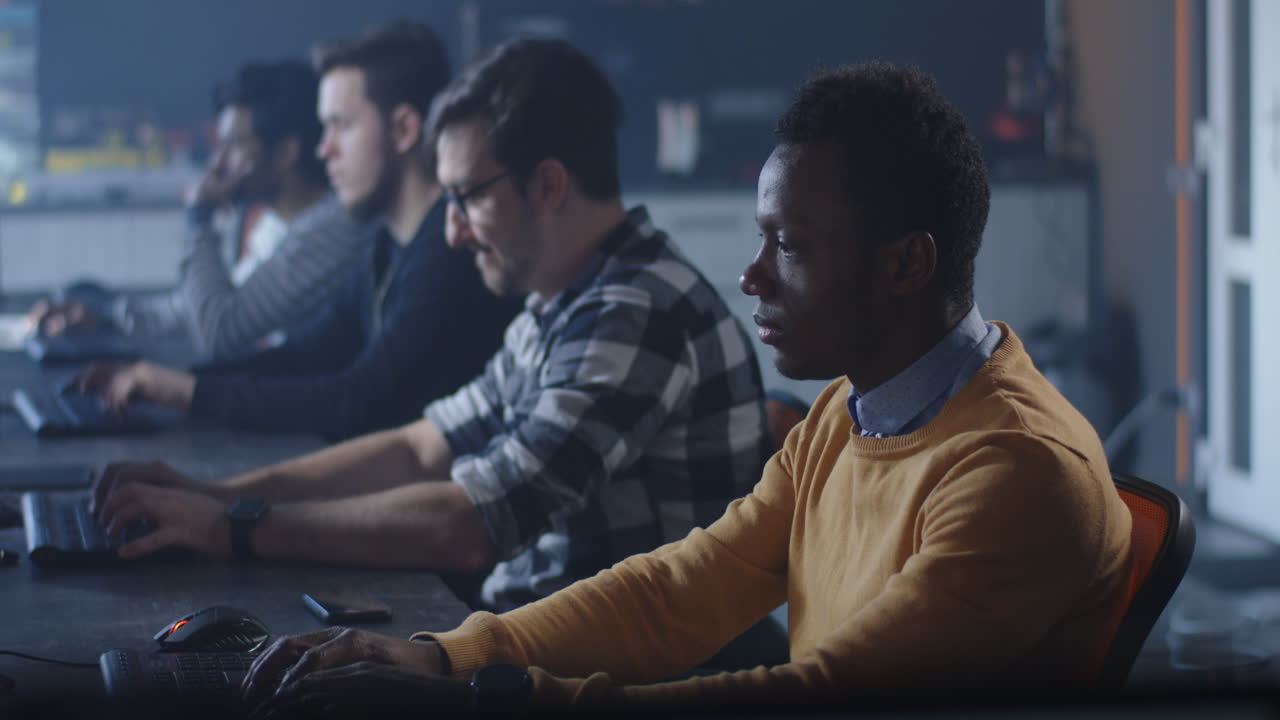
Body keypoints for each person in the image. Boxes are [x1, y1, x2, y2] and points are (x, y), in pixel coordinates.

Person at [235, 61, 1134, 713]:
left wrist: (502, 692)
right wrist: (447, 658)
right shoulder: (847, 411)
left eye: (790, 244)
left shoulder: (1015, 471)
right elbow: (678, 589)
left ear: (906, 264)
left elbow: (830, 694)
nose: (753, 276)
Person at [90, 37, 769, 615]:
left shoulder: (631, 310)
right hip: (539, 634)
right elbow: (421, 446)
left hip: (619, 675)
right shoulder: (562, 302)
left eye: (467, 197)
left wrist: (234, 528)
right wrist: (216, 496)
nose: (451, 230)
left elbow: (473, 524)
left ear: (549, 185)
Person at [71, 21, 520, 441]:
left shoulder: (449, 252)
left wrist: (184, 392)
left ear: (402, 129)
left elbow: (358, 400)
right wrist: (165, 381)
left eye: (339, 126)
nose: (323, 150)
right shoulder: (387, 242)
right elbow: (305, 355)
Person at [30, 60, 367, 362]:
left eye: (233, 144)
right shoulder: (272, 224)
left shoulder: (335, 228)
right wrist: (106, 317)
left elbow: (219, 331)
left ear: (285, 153)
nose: (217, 162)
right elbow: (199, 309)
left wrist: (198, 220)